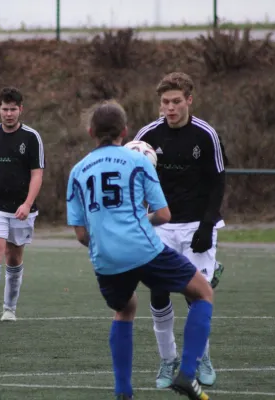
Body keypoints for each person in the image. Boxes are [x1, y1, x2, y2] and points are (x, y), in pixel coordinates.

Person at [66, 100, 213, 400]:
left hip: (105, 258)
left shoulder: (77, 171)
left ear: (91, 131)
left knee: (125, 309)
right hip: (142, 248)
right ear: (125, 131)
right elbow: (163, 214)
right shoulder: (139, 161)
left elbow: (81, 234)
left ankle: (123, 391)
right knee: (203, 292)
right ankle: (187, 373)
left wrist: (107, 237)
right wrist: (137, 220)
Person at [133, 72, 228, 388]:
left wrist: (207, 223)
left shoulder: (206, 135)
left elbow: (217, 182)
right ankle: (167, 361)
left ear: (189, 100)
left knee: (195, 294)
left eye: (176, 101)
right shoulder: (146, 137)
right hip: (160, 225)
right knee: (159, 293)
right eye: (165, 102)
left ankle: (202, 358)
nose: (170, 108)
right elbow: (134, 182)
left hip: (196, 225)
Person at [0, 87, 45, 323]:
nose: (8, 114)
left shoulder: (31, 137)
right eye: (5, 109)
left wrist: (27, 204)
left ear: (20, 109)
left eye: (13, 109)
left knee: (14, 257)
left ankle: (10, 308)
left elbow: (37, 174)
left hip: (21, 208)